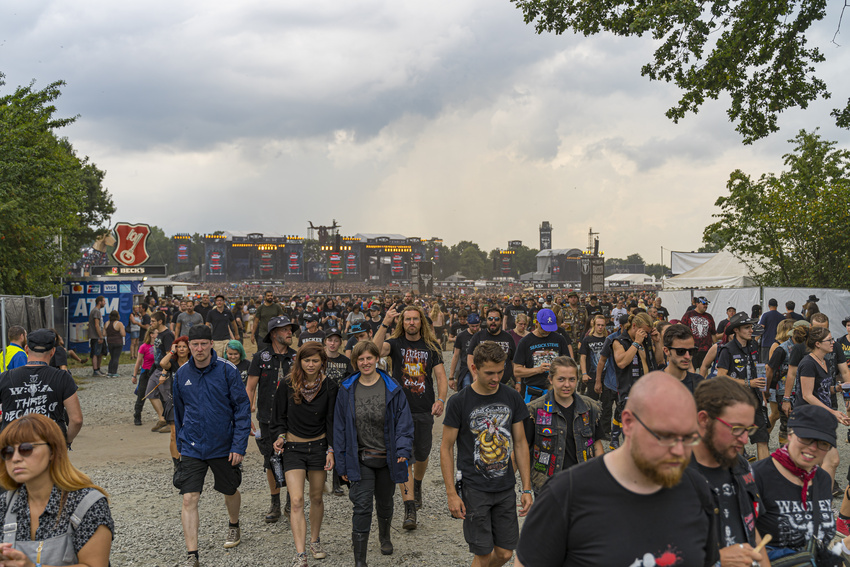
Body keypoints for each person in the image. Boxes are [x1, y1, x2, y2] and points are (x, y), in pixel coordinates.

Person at [515, 372, 718, 567]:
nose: (680, 452)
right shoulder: (565, 493)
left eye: (689, 437)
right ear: (628, 423)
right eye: (667, 437)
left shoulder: (696, 488)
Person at [441, 342, 533, 567]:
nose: (496, 378)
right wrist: (452, 493)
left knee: (504, 553)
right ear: (474, 368)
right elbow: (446, 447)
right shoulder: (458, 402)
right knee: (482, 554)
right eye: (489, 373)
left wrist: (527, 487)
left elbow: (520, 443)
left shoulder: (511, 397)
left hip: (505, 487)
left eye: (501, 371)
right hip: (474, 489)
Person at [173, 324, 251, 567]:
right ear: (188, 347)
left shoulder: (228, 371)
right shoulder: (182, 374)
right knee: (189, 498)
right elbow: (178, 412)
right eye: (194, 344)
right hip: (193, 447)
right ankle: (192, 555)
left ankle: (234, 524)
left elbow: (242, 409)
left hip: (223, 446)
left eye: (203, 344)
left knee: (229, 490)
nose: (198, 349)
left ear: (211, 345)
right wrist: (181, 444)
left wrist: (238, 446)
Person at [333, 341, 414, 566]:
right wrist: (342, 464)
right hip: (360, 458)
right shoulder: (347, 389)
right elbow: (339, 428)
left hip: (387, 457)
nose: (366, 363)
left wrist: (403, 449)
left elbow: (404, 422)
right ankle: (360, 560)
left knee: (386, 501)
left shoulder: (392, 387)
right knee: (362, 506)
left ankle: (385, 536)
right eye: (361, 359)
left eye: (370, 358)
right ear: (355, 362)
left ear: (377, 359)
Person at [0, 413, 113, 566]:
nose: (15, 458)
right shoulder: (4, 504)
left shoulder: (87, 504)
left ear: (53, 451)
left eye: (26, 449)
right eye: (7, 452)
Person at [373, 305, 448, 530]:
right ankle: (409, 509)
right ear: (402, 323)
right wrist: (385, 322)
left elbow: (441, 377)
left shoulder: (431, 346)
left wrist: (441, 399)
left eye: (415, 319)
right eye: (407, 320)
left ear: (421, 322)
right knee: (403, 457)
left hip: (424, 409)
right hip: (399, 410)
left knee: (423, 454)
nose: (411, 323)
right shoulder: (395, 344)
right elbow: (374, 351)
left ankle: (417, 484)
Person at [689, 377, 769, 567]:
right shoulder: (668, 475)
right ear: (704, 420)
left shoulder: (741, 466)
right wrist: (716, 558)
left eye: (748, 429)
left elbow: (752, 529)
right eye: (736, 428)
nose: (744, 439)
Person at [271, 342, 338, 567]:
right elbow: (278, 416)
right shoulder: (287, 385)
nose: (311, 364)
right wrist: (280, 435)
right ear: (299, 361)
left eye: (315, 361)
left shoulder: (329, 386)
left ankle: (315, 540)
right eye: (306, 360)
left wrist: (331, 450)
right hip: (293, 449)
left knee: (317, 497)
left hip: (319, 448)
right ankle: (301, 553)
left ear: (322, 363)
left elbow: (331, 421)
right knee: (297, 500)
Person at [754, 405, 837, 561]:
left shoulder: (822, 479)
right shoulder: (757, 476)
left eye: (823, 443)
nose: (812, 448)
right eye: (806, 438)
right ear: (790, 434)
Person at [246, 315, 299, 523]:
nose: (290, 333)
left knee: (292, 461)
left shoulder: (297, 357)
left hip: (294, 418)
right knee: (271, 460)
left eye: (290, 329)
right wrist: (245, 414)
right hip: (267, 418)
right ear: (273, 334)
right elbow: (250, 388)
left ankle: (290, 502)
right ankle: (275, 503)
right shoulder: (261, 357)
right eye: (285, 329)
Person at [524, 356, 603, 493]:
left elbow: (596, 445)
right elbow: (522, 448)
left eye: (572, 379)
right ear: (550, 379)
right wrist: (525, 489)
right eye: (561, 379)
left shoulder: (590, 407)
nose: (567, 385)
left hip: (582, 484)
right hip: (548, 486)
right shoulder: (534, 410)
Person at [0, 329, 83, 445]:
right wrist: (66, 441)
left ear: (27, 349)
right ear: (52, 352)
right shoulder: (63, 377)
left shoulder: (5, 377)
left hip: (13, 446)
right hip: (51, 444)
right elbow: (76, 419)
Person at [716, 312, 771, 461]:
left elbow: (758, 368)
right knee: (738, 441)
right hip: (735, 402)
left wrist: (763, 393)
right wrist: (748, 383)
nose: (751, 330)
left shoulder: (753, 344)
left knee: (762, 438)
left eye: (751, 327)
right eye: (747, 327)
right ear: (736, 330)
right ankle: (740, 477)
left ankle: (763, 478)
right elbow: (720, 376)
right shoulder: (727, 350)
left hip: (755, 400)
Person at [513, 309, 572, 403]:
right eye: (544, 328)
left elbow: (568, 364)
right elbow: (517, 371)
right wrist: (538, 370)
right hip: (534, 392)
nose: (547, 331)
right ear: (537, 323)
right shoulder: (525, 342)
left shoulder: (559, 339)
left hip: (556, 390)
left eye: (550, 328)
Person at [466, 307, 516, 387]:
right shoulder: (478, 336)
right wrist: (474, 375)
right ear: (486, 320)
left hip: (505, 384)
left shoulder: (508, 337)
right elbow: (470, 357)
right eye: (490, 318)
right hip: (483, 384)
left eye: (496, 319)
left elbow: (514, 361)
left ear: (501, 321)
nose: (493, 321)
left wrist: (518, 381)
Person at [662, 323, 704, 393]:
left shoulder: (700, 383)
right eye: (680, 351)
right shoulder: (654, 383)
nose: (687, 356)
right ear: (666, 351)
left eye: (691, 351)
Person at [132, 326, 159, 426]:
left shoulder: (159, 346)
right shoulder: (144, 346)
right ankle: (137, 415)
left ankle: (164, 416)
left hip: (156, 372)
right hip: (146, 373)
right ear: (152, 335)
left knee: (160, 395)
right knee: (141, 395)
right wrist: (134, 375)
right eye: (156, 333)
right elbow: (138, 361)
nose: (158, 334)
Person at [449, 313, 481, 391]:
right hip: (465, 368)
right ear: (468, 324)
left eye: (477, 326)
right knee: (467, 389)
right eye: (472, 326)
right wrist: (451, 377)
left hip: (481, 368)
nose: (475, 328)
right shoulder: (461, 336)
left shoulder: (482, 335)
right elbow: (456, 356)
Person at [578, 314, 607, 400]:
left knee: (606, 403)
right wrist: (584, 373)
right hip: (591, 375)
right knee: (592, 402)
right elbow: (582, 357)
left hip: (606, 376)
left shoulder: (608, 339)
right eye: (598, 325)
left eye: (602, 325)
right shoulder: (587, 339)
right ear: (594, 325)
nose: (600, 327)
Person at [759, 298, 785, 362]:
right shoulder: (782, 317)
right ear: (777, 305)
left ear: (768, 305)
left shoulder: (765, 315)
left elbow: (761, 328)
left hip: (766, 343)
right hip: (778, 343)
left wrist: (756, 339)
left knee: (765, 363)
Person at [104, 310, 126, 377]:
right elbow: (123, 334)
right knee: (116, 357)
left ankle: (110, 371)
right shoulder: (119, 323)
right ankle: (114, 372)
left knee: (112, 357)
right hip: (118, 342)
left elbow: (104, 334)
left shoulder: (107, 323)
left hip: (110, 342)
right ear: (117, 316)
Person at [87, 295, 106, 376]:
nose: (105, 303)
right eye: (104, 301)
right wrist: (100, 336)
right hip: (96, 336)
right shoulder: (96, 311)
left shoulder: (97, 311)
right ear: (100, 302)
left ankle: (98, 369)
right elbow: (96, 325)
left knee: (100, 353)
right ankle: (95, 370)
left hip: (98, 336)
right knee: (95, 353)